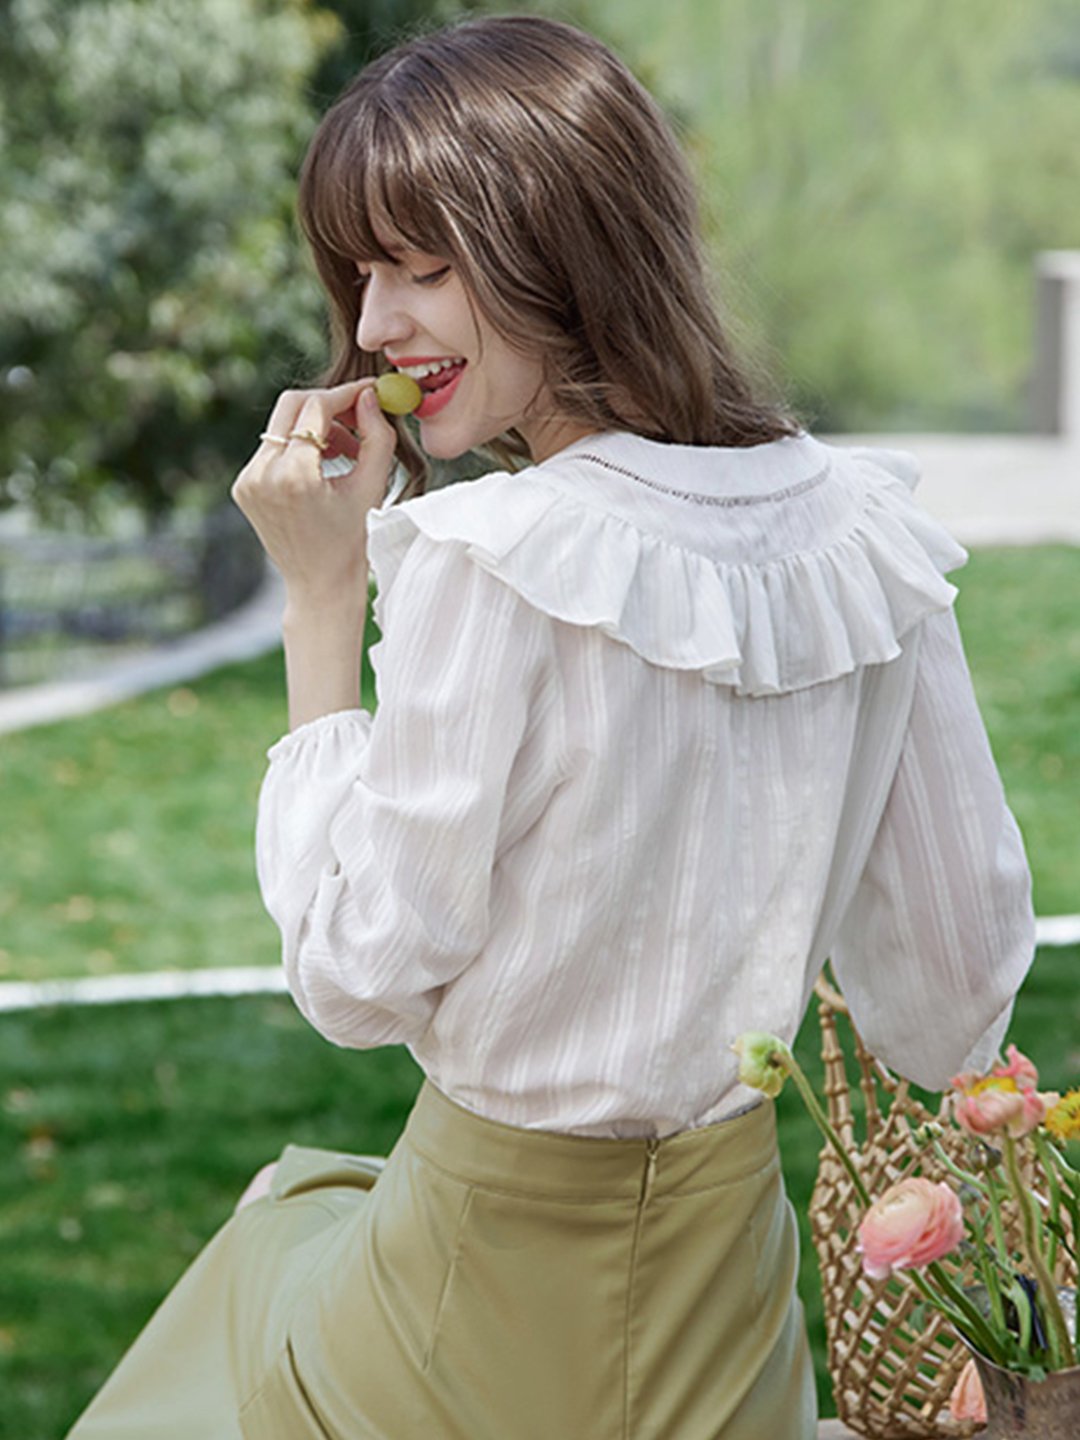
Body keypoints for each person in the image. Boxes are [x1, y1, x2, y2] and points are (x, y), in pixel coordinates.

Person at [67, 14, 1035, 1440]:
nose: (377, 326)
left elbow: (353, 977)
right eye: (362, 277)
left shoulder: (490, 555)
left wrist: (323, 601)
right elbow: (954, 997)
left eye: (422, 265)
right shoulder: (873, 542)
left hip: (458, 1338)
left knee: (251, 1267)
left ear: (559, 239)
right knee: (301, 1210)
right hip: (733, 1333)